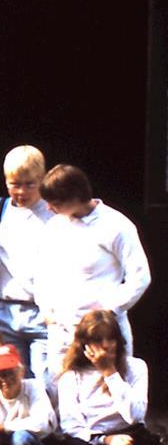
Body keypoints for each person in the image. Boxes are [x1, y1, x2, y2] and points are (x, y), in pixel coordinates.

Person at [37, 165, 150, 387]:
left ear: (76, 196)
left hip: (103, 334)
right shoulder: (54, 226)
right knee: (59, 392)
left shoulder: (116, 226)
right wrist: (47, 310)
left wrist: (109, 312)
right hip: (62, 331)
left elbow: (141, 276)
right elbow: (43, 272)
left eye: (56, 203)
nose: (49, 208)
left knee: (107, 398)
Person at [55, 310, 159, 445]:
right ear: (84, 344)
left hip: (130, 444)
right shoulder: (72, 377)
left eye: (110, 338)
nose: (105, 345)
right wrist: (106, 440)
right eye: (97, 340)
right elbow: (71, 425)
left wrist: (109, 372)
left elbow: (135, 415)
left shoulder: (135, 367)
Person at [0, 145, 54, 377]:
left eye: (30, 184)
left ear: (43, 179)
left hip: (43, 313)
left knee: (45, 382)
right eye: (14, 184)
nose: (21, 191)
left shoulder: (55, 212)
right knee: (7, 381)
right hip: (4, 311)